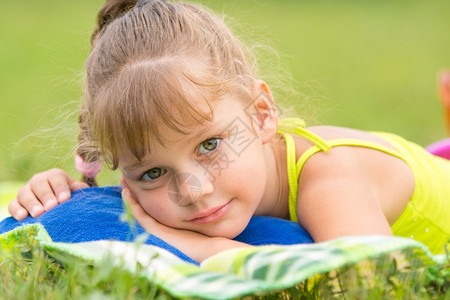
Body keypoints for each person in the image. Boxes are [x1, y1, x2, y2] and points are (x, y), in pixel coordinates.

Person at [7, 0, 449, 262]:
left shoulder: (327, 176)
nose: (193, 190)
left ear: (260, 113)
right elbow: (96, 211)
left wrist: (197, 250)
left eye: (210, 145)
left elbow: (373, 280)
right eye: (152, 174)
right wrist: (63, 193)